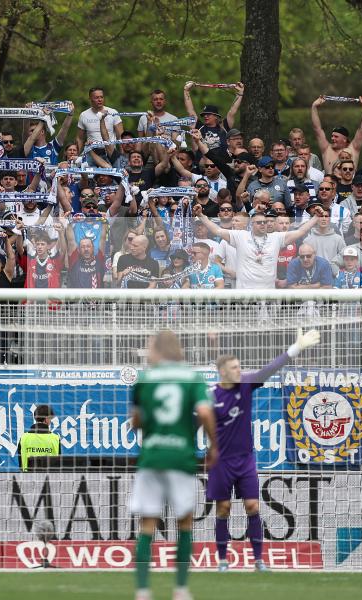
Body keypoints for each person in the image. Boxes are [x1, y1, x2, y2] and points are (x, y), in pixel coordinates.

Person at [209, 328, 320, 573]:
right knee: (223, 508)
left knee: (253, 507)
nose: (240, 370)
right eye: (235, 367)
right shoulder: (211, 396)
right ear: (223, 372)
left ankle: (259, 560)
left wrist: (296, 348)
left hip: (246, 459)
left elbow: (270, 369)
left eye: (240, 366)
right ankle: (222, 561)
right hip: (221, 461)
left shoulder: (247, 384)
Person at [130, 330, 218, 600]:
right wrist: (214, 445)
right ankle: (181, 589)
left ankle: (143, 591)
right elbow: (204, 412)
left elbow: (135, 422)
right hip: (181, 458)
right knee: (184, 523)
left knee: (147, 524)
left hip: (152, 456)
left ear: (158, 348)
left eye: (149, 346)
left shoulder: (145, 379)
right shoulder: (193, 378)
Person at [194, 206, 319, 289]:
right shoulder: (240, 236)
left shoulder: (276, 237)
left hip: (268, 293)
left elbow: (301, 231)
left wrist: (316, 217)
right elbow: (217, 230)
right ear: (252, 224)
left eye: (265, 222)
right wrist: (201, 215)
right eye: (259, 222)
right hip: (245, 293)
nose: (263, 224)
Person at [310, 95, 362, 171]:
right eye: (332, 136)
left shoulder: (353, 149)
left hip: (350, 182)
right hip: (330, 182)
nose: (332, 138)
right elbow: (317, 129)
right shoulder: (326, 149)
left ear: (344, 139)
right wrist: (314, 107)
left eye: (336, 136)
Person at [17, 404, 60, 472]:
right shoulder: (55, 438)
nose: (50, 421)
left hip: (27, 479)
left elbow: (20, 463)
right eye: (50, 419)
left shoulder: (23, 438)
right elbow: (59, 463)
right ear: (46, 419)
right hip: (50, 479)